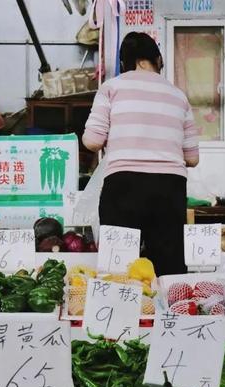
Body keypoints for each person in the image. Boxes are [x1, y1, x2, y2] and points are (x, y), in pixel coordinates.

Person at [82, 32, 199, 276]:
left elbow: (92, 142)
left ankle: (122, 312)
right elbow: (192, 158)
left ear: (124, 63)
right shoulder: (179, 96)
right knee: (169, 270)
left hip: (124, 186)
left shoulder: (111, 88)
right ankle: (169, 312)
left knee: (119, 269)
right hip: (170, 189)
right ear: (158, 59)